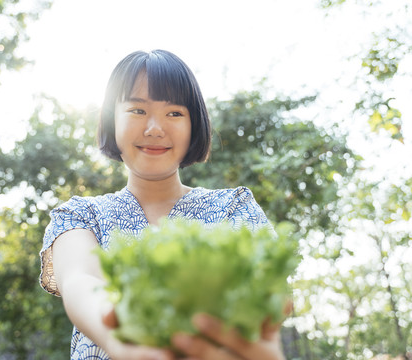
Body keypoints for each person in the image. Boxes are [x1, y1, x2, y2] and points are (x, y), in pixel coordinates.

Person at [39, 49, 287, 360]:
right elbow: (80, 281)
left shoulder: (234, 207)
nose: (155, 128)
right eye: (137, 111)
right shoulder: (79, 216)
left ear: (194, 125)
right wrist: (119, 333)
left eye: (174, 113)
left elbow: (263, 293)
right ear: (110, 121)